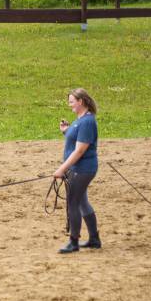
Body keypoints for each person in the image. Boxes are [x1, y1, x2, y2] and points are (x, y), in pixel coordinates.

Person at [54, 88, 101, 254]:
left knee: (73, 202)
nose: (69, 104)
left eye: (72, 101)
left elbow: (80, 150)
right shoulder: (80, 120)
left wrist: (62, 169)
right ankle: (94, 239)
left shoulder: (87, 121)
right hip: (77, 168)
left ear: (81, 101)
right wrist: (66, 131)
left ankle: (73, 242)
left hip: (82, 169)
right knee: (81, 202)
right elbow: (77, 138)